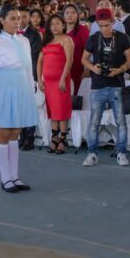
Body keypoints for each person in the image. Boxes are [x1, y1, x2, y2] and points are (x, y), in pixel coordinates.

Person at [0, 4, 37, 193]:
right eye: (13, 18)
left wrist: (31, 87)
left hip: (21, 88)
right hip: (4, 89)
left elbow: (28, 67)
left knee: (15, 132)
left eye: (19, 18)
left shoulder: (24, 41)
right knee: (4, 133)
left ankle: (15, 176)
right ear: (2, 20)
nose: (17, 22)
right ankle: (5, 177)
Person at [81, 8, 130, 167]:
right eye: (101, 25)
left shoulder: (123, 38)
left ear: (113, 22)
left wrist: (119, 70)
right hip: (97, 85)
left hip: (117, 84)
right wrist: (93, 68)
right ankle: (92, 153)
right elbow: (83, 59)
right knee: (94, 122)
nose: (104, 28)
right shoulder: (93, 38)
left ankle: (122, 153)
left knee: (121, 122)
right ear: (97, 24)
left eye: (107, 25)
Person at [39, 14, 74, 154]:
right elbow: (39, 61)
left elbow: (69, 60)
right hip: (48, 82)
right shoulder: (46, 40)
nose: (54, 26)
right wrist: (39, 79)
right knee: (52, 110)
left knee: (61, 110)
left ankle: (63, 139)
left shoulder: (67, 39)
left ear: (63, 25)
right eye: (52, 24)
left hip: (61, 81)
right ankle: (54, 137)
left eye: (57, 23)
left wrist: (62, 79)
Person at [17, 6, 44, 150]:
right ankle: (21, 136)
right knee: (19, 107)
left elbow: (31, 54)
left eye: (25, 16)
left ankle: (30, 138)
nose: (21, 19)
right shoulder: (11, 32)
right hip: (15, 76)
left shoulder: (34, 33)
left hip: (30, 74)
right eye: (18, 16)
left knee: (30, 107)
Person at [63, 3, 90, 94]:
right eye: (67, 13)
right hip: (60, 68)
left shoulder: (82, 30)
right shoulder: (59, 30)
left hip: (77, 68)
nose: (70, 15)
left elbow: (88, 50)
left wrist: (87, 69)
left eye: (73, 13)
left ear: (77, 15)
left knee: (75, 95)